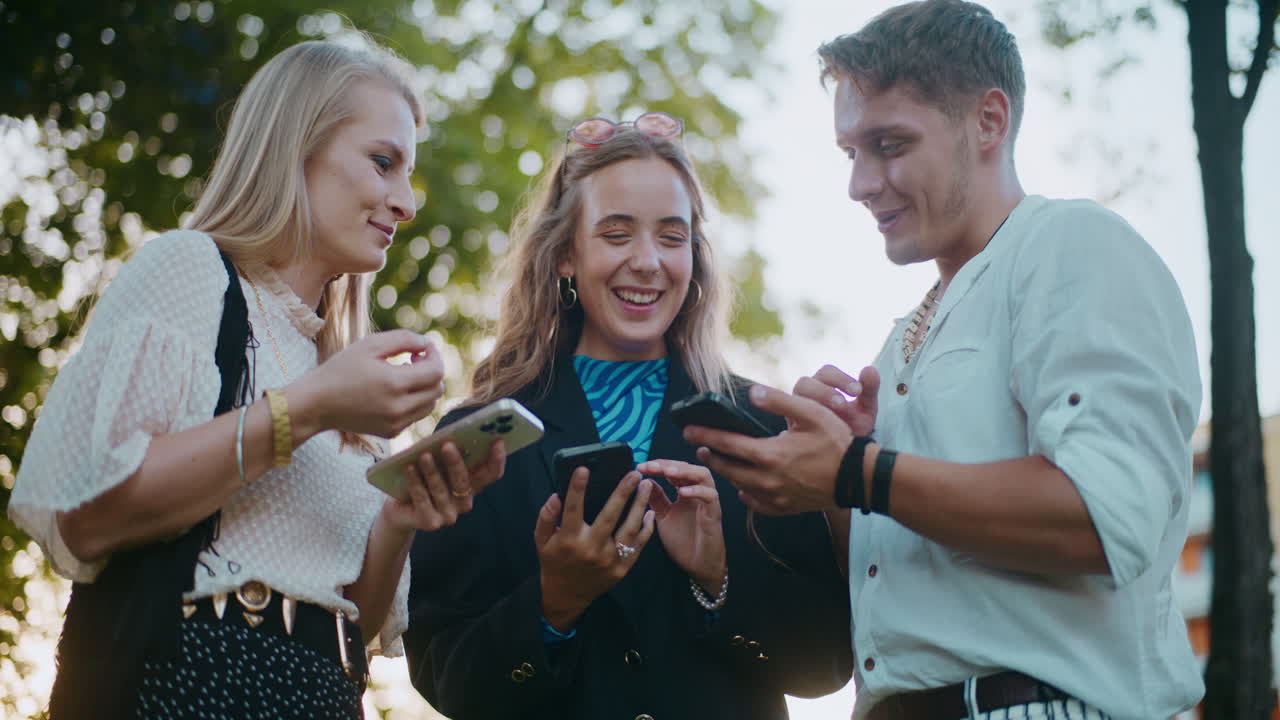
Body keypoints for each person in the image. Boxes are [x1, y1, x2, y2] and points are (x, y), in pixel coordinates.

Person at [683, 2, 1205, 719]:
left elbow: (1104, 516)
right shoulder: (899, 340)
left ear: (989, 120)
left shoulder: (1071, 245)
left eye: (889, 145)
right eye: (851, 153)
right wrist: (840, 479)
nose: (861, 184)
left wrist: (857, 470)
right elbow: (897, 594)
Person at [9, 38, 504, 719]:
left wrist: (400, 518)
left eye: (408, 173)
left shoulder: (340, 369)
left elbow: (351, 628)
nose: (405, 202)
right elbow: (92, 516)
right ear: (296, 147)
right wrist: (310, 410)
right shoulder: (191, 271)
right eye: (383, 162)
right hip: (184, 682)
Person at [402, 115, 852, 719]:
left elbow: (826, 665)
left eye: (671, 237)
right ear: (566, 254)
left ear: (695, 257)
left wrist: (718, 578)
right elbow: (446, 677)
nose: (647, 261)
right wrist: (554, 602)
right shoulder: (481, 436)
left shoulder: (763, 427)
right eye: (616, 234)